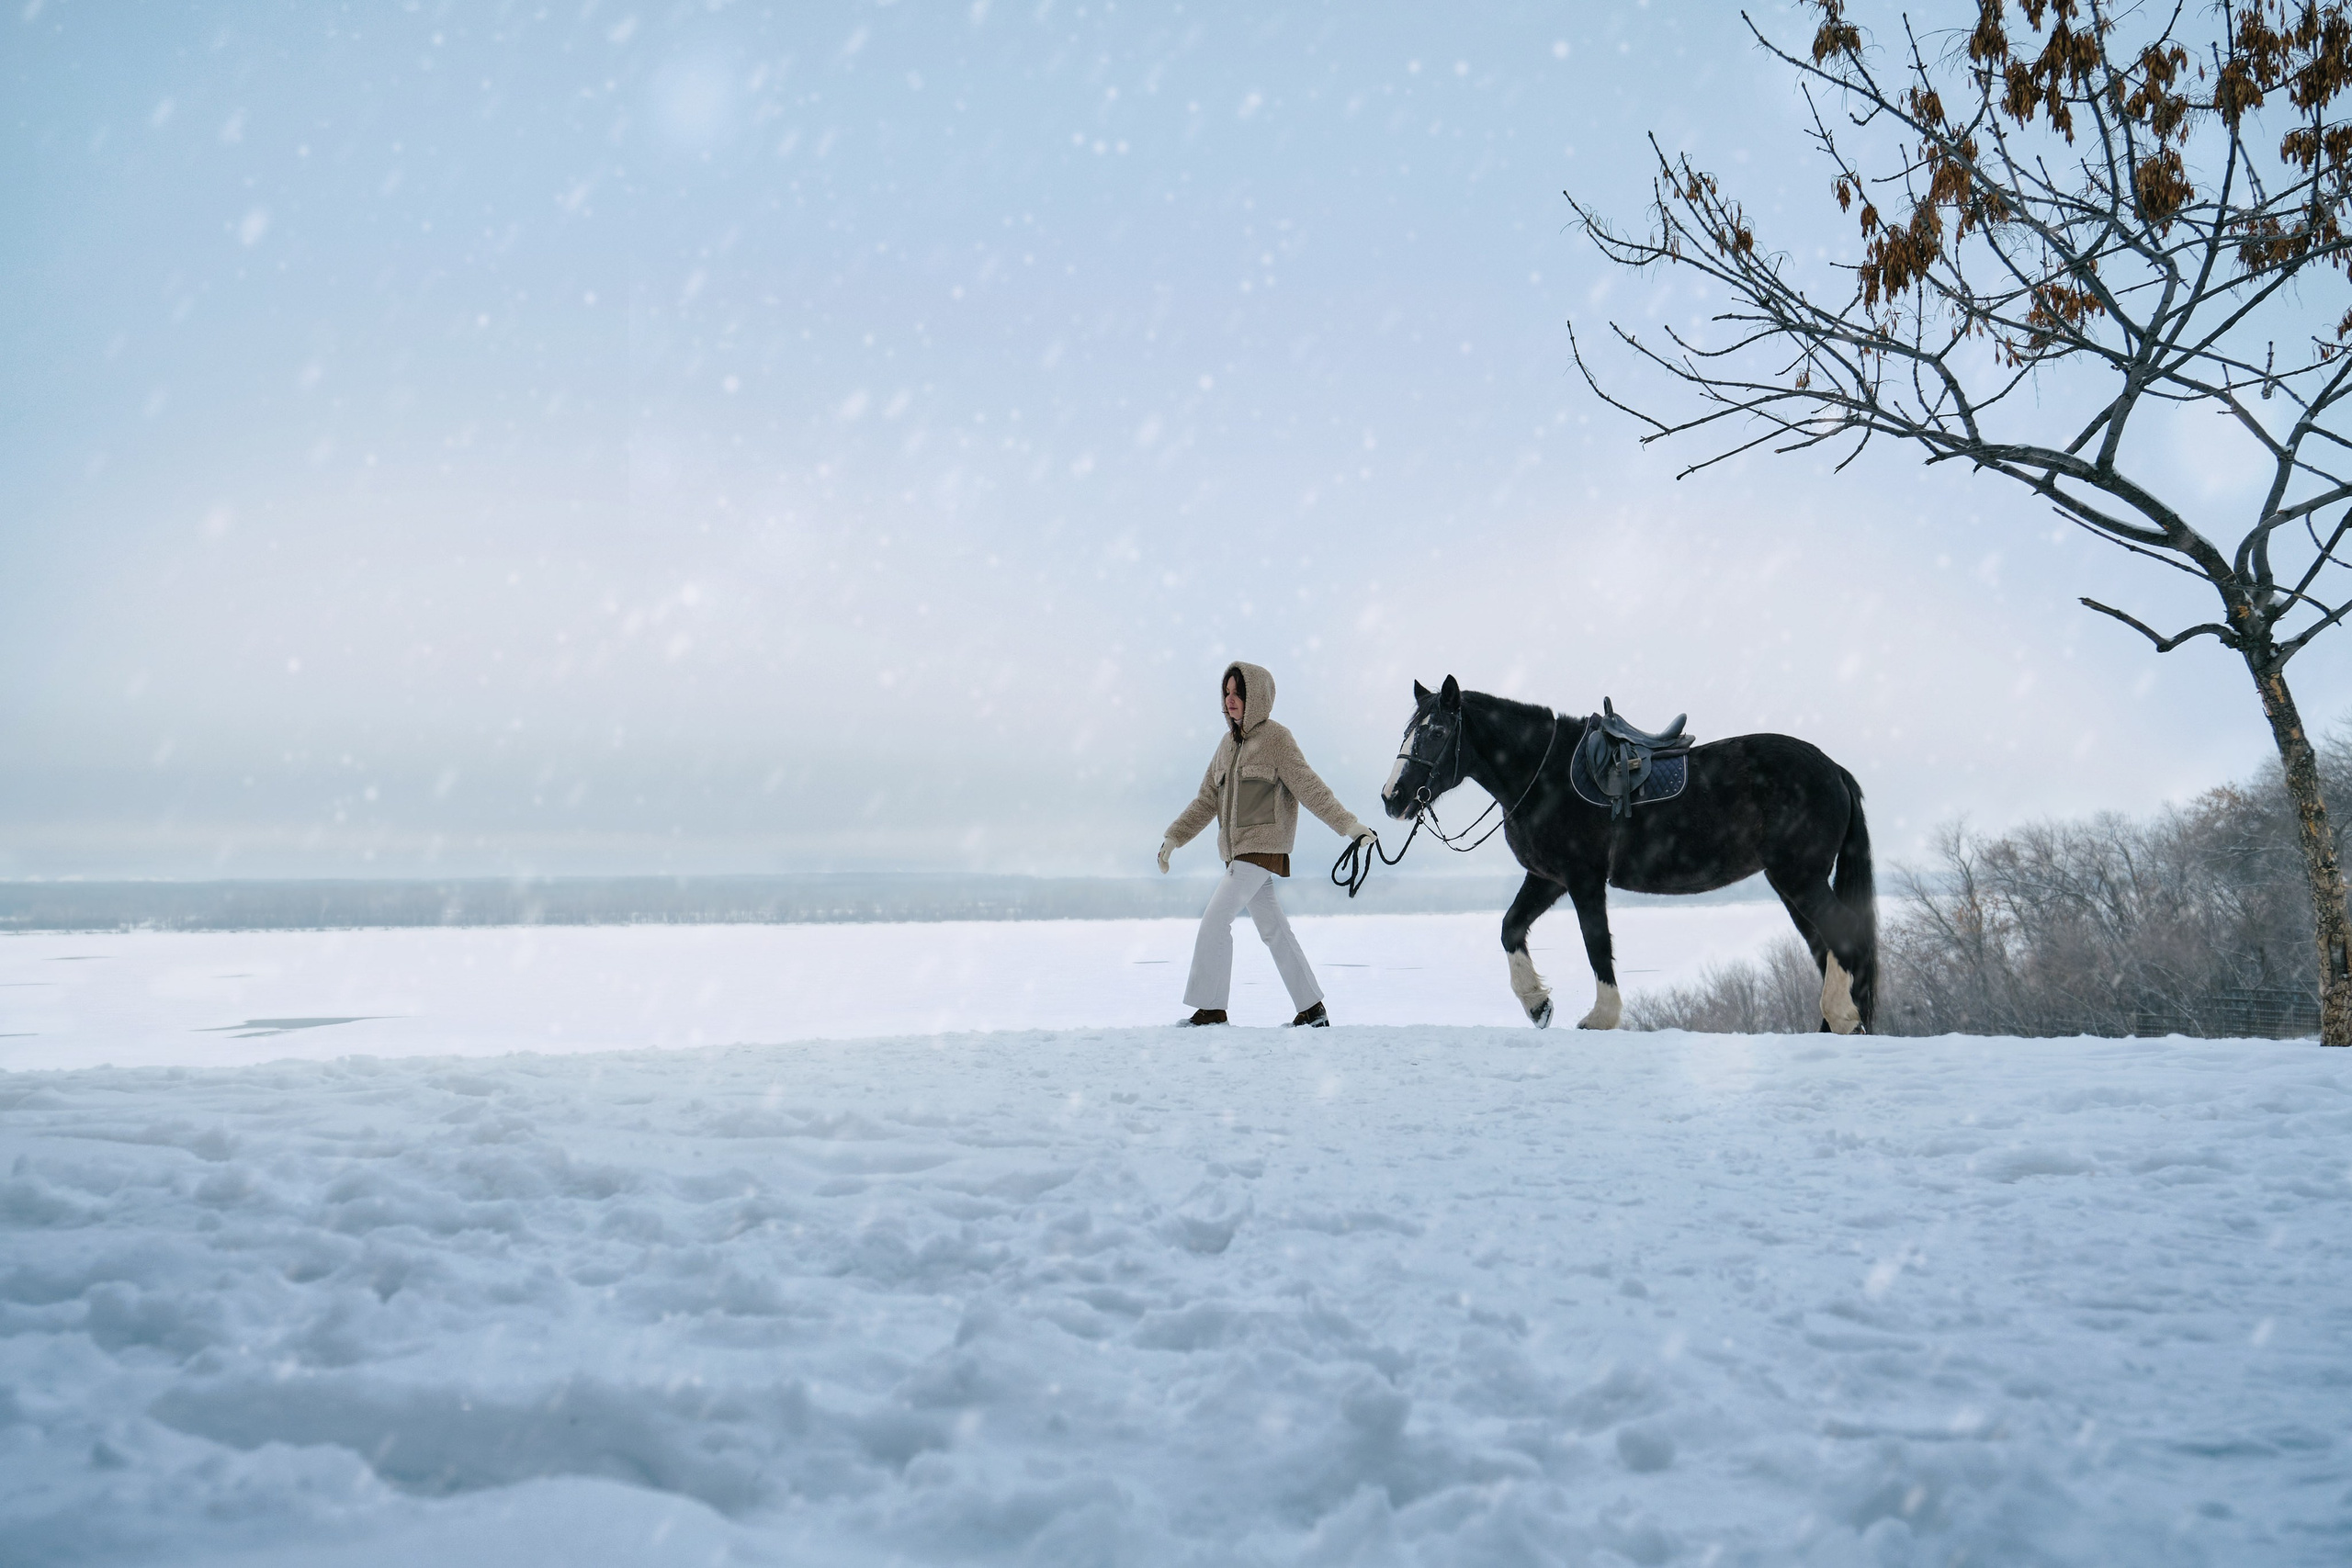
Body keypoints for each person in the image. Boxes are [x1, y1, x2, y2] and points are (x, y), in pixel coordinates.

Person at [1159, 661, 1379, 1026]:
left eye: (1238, 693)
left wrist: (1349, 825)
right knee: (1274, 929)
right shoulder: (1226, 746)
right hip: (1239, 855)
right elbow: (1205, 800)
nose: (1230, 700)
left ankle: (1212, 1008)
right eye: (1226, 693)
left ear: (1255, 697)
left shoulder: (1276, 739)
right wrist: (1174, 837)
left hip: (1260, 851)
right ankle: (1312, 1009)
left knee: (1215, 921)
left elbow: (1309, 787)